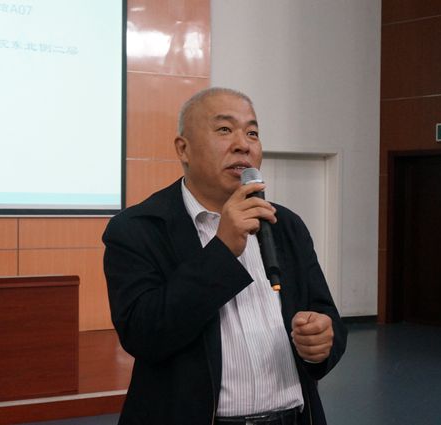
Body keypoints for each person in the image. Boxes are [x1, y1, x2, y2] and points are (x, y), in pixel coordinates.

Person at [103, 87, 347, 425]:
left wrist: (320, 341)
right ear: (183, 149)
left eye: (252, 133)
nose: (243, 144)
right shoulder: (138, 229)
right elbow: (143, 334)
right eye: (224, 129)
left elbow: (326, 315)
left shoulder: (285, 224)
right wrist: (222, 251)